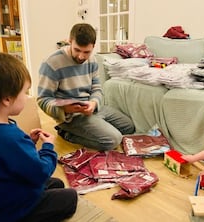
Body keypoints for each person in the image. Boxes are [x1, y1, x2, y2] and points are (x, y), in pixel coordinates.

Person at [0, 53, 77, 222]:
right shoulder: (10, 138)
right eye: (25, 92)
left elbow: (3, 159)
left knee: (57, 184)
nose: (28, 97)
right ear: (7, 99)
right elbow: (41, 172)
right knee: (70, 197)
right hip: (13, 211)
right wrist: (48, 148)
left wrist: (29, 143)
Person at [38, 23, 135, 151]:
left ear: (93, 47)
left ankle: (96, 125)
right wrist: (65, 110)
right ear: (70, 41)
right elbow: (42, 99)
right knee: (113, 140)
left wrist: (94, 103)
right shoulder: (51, 63)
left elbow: (97, 89)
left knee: (129, 127)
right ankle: (67, 134)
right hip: (70, 117)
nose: (81, 56)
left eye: (87, 52)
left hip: (91, 109)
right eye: (77, 50)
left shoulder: (92, 60)